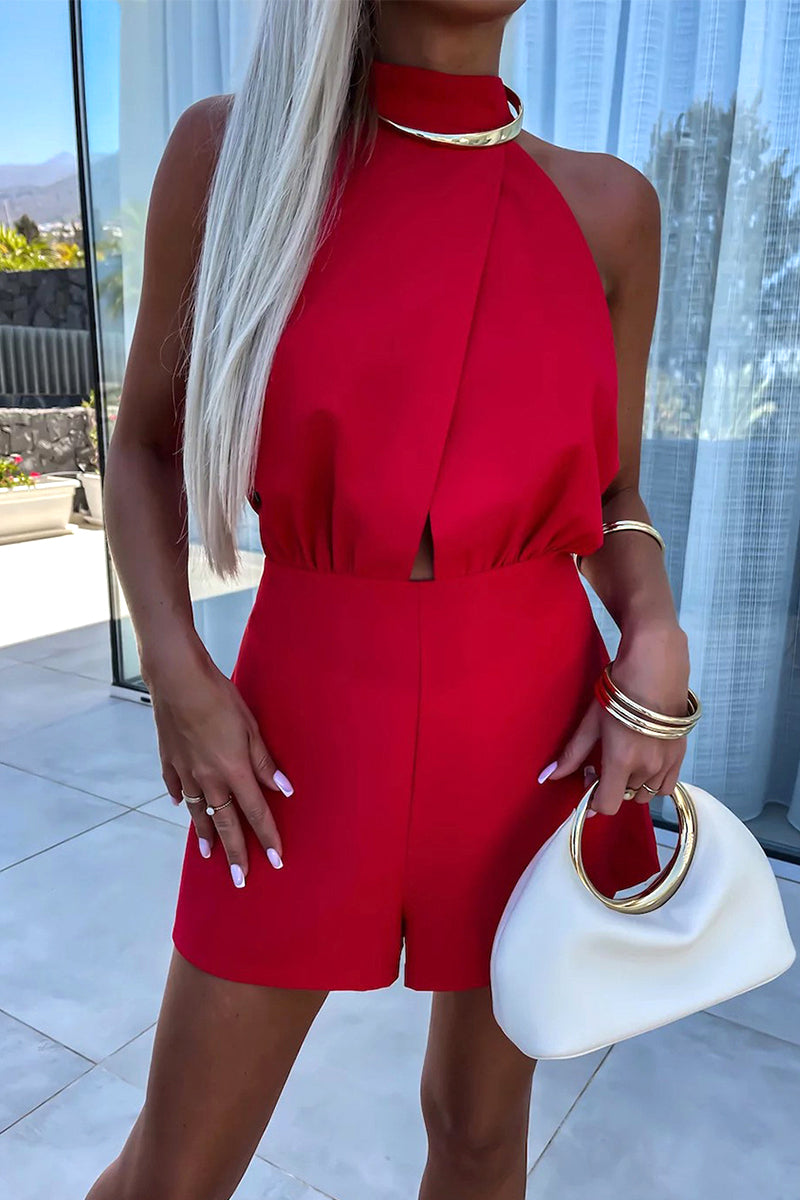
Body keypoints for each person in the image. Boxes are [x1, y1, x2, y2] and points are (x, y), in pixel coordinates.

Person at [86, 1, 691, 1198]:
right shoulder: (232, 156)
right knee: (175, 1170)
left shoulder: (607, 210)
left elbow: (611, 493)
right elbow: (144, 445)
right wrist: (176, 671)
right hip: (296, 726)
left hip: (530, 724)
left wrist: (654, 630)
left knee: (478, 1138)